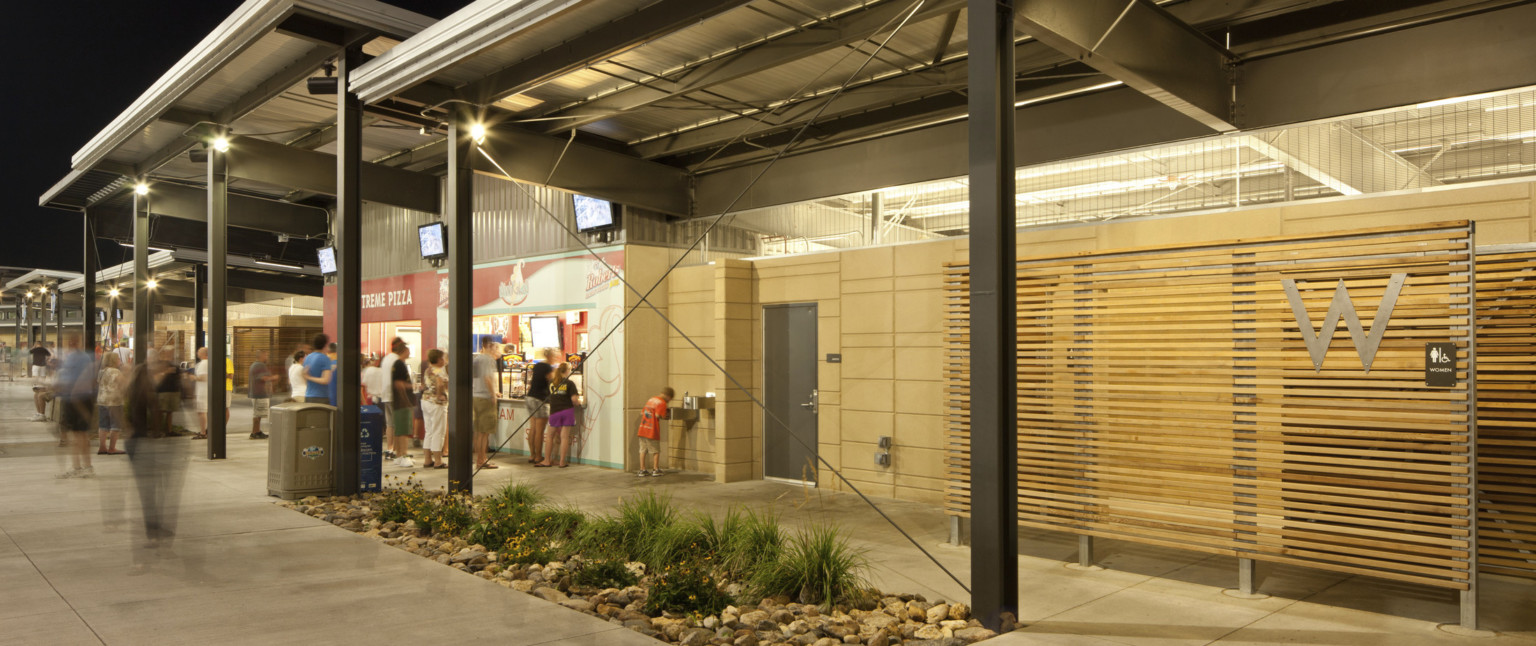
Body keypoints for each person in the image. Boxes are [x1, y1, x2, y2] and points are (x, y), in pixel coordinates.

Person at [55, 336, 97, 479]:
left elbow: (78, 380)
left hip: (78, 400)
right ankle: (84, 466)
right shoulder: (77, 358)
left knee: (79, 436)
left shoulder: (81, 358)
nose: (70, 344)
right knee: (80, 435)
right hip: (77, 399)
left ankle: (80, 467)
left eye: (73, 341)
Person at [536, 363, 582, 468]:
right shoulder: (570, 383)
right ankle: (562, 462)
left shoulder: (552, 383)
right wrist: (579, 402)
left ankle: (547, 460)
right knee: (564, 437)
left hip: (554, 412)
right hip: (567, 411)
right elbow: (574, 400)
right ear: (567, 370)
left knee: (550, 436)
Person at [471, 337, 500, 470]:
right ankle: (481, 460)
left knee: (478, 431)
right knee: (485, 432)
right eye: (495, 347)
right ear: (488, 346)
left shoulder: (476, 359)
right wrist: (493, 394)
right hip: (485, 398)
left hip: (475, 396)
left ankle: (479, 458)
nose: (497, 350)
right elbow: (487, 377)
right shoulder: (488, 360)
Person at [524, 348, 555, 464]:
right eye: (555, 355)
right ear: (550, 356)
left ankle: (532, 455)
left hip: (530, 397)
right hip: (540, 399)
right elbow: (553, 381)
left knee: (533, 428)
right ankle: (538, 456)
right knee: (540, 430)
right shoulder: (548, 367)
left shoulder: (537, 365)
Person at [420, 348, 449, 469]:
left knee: (429, 431)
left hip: (425, 401)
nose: (444, 360)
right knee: (439, 431)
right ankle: (438, 461)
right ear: (438, 359)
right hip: (436, 404)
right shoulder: (439, 371)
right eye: (442, 358)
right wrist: (440, 395)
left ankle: (427, 459)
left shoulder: (428, 369)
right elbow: (440, 383)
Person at [636, 386, 673, 477]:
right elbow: (657, 415)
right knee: (655, 451)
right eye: (670, 399)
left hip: (642, 428)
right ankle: (655, 469)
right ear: (668, 396)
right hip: (652, 430)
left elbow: (642, 413)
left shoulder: (651, 399)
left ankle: (642, 469)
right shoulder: (662, 403)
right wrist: (665, 416)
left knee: (642, 450)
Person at [388, 343, 415, 467]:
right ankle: (404, 455)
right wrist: (407, 398)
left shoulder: (396, 364)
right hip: (402, 402)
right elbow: (399, 384)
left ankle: (399, 455)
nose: (410, 351)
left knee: (398, 429)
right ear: (403, 350)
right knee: (403, 430)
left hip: (397, 402)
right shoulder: (400, 364)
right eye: (408, 349)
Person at [97, 352, 127, 455]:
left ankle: (102, 447)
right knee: (115, 425)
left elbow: (98, 382)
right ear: (114, 360)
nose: (119, 360)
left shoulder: (101, 372)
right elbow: (123, 384)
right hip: (115, 402)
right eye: (118, 359)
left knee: (103, 425)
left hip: (102, 400)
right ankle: (112, 448)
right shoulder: (116, 372)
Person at [378, 339, 403, 457]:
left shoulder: (386, 359)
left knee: (389, 424)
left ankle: (390, 448)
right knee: (398, 424)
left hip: (385, 395)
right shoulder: (397, 360)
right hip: (395, 395)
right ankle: (398, 451)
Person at [153, 348, 181, 435]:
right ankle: (157, 431)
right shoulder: (159, 364)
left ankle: (169, 430)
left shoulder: (174, 364)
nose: (171, 354)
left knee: (170, 411)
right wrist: (166, 372)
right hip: (163, 391)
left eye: (172, 352)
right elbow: (155, 377)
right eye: (169, 352)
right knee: (160, 411)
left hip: (173, 391)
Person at [248, 350, 275, 440]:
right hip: (259, 394)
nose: (267, 357)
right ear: (261, 356)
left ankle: (257, 431)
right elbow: (263, 378)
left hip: (257, 394)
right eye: (266, 355)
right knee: (257, 414)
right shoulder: (260, 365)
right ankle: (254, 432)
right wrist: (274, 378)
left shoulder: (254, 365)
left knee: (258, 414)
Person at [302, 334, 332, 403]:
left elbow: (304, 377)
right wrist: (309, 377)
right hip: (321, 397)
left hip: (308, 396)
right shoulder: (325, 358)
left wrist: (308, 377)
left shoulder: (307, 358)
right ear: (325, 345)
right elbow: (325, 380)